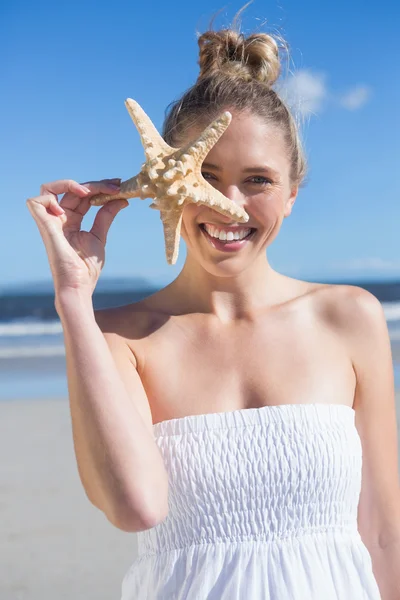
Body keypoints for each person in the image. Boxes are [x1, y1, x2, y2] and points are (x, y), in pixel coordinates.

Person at [26, 17, 400, 600]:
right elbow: (135, 507)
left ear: (292, 194)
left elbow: (383, 535)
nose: (228, 205)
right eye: (205, 174)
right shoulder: (120, 340)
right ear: (162, 185)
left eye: (257, 180)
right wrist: (74, 298)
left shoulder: (349, 319)